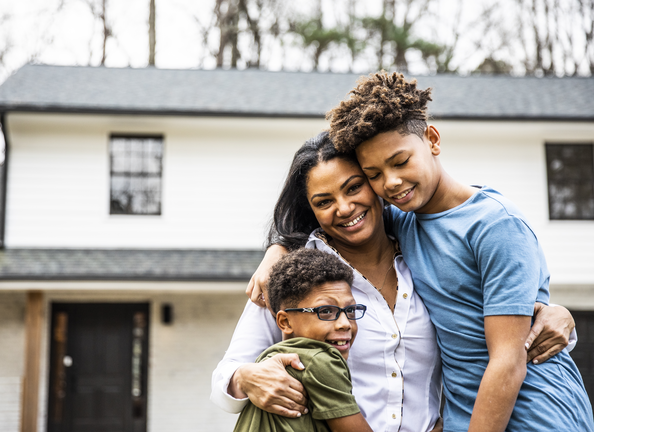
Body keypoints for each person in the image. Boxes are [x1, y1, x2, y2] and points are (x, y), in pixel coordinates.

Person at [212, 131, 576, 432]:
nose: (344, 207)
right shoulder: (295, 277)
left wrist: (556, 311)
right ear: (313, 212)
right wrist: (247, 378)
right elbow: (225, 375)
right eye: (324, 201)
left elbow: (485, 318)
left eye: (354, 187)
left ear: (374, 183)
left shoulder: (422, 249)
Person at [322, 71, 593, 431]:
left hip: (538, 415)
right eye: (374, 174)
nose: (391, 182)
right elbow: (325, 212)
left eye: (400, 162)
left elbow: (507, 361)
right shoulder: (403, 220)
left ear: (432, 140)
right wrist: (276, 249)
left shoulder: (495, 224)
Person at [233, 248, 372, 432]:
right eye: (325, 311)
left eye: (350, 311)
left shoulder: (270, 360)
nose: (345, 323)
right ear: (285, 322)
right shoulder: (320, 360)